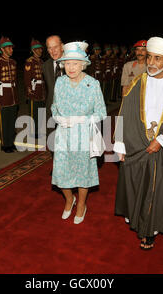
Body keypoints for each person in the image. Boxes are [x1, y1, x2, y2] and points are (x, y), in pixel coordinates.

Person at [114, 37, 163, 250]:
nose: (151, 62)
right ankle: (136, 217)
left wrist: (162, 139)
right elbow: (125, 111)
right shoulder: (137, 81)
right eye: (149, 57)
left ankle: (149, 230)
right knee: (136, 182)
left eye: (157, 58)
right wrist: (121, 142)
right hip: (137, 142)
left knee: (157, 188)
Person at [51, 41, 107, 224]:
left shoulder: (93, 84)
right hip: (63, 134)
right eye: (67, 63)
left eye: (75, 63)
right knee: (61, 171)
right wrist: (56, 116)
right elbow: (54, 105)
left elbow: (101, 112)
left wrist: (82, 120)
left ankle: (81, 204)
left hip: (84, 135)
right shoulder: (59, 82)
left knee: (83, 173)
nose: (71, 67)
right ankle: (69, 200)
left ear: (83, 64)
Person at [0, 37, 19, 153]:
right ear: (2, 49)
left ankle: (11, 142)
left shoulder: (13, 62)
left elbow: (15, 82)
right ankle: (5, 144)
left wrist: (16, 98)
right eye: (9, 47)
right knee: (4, 123)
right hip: (3, 98)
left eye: (11, 47)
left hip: (12, 97)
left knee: (12, 122)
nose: (11, 49)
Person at [24, 39, 46, 138]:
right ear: (33, 50)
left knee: (41, 112)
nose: (41, 51)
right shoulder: (29, 62)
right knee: (34, 113)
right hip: (34, 90)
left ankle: (40, 130)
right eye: (38, 49)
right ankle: (34, 132)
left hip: (41, 90)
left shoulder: (41, 61)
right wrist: (29, 91)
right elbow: (27, 78)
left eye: (41, 49)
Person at [42, 35, 65, 132]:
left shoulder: (74, 63)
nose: (53, 51)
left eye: (55, 47)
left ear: (62, 46)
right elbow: (48, 91)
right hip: (51, 113)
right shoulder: (45, 66)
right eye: (50, 48)